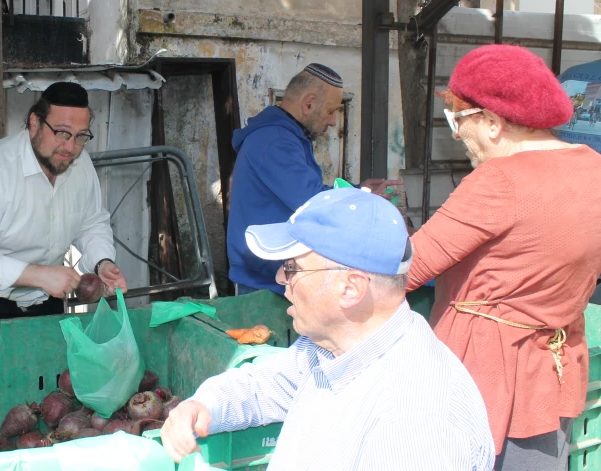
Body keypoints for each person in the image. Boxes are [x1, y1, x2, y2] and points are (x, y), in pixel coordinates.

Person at [162, 188, 495, 470]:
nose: (281, 279)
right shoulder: (335, 346)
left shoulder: (413, 423)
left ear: (350, 288)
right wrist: (204, 405)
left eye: (291, 268)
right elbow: (265, 384)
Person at [406, 44, 601, 471]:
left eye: (458, 119)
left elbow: (408, 268)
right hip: (555, 369)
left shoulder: (500, 181)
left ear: (492, 123)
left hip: (488, 380)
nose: (456, 134)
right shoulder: (593, 168)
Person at [0, 82, 128, 324]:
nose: (70, 148)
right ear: (34, 122)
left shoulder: (81, 165)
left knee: (48, 361)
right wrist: (40, 275)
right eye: (62, 133)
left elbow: (91, 224)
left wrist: (102, 261)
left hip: (45, 292)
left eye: (81, 136)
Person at [227, 63, 400, 295]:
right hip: (266, 280)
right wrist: (362, 198)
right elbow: (312, 202)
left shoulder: (284, 137)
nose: (332, 122)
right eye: (331, 111)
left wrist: (359, 190)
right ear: (308, 104)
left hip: (273, 271)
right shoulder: (274, 141)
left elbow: (310, 192)